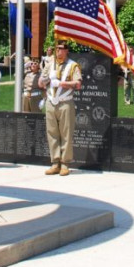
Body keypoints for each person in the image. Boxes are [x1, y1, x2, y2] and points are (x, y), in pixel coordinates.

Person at [39, 42, 82, 177]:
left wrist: (61, 83)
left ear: (67, 50)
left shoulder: (72, 65)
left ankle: (65, 163)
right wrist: (47, 79)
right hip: (51, 102)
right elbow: (40, 83)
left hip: (65, 102)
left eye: (61, 49)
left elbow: (78, 84)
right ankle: (55, 162)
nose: (58, 51)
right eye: (57, 48)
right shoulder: (50, 64)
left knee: (66, 133)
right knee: (52, 133)